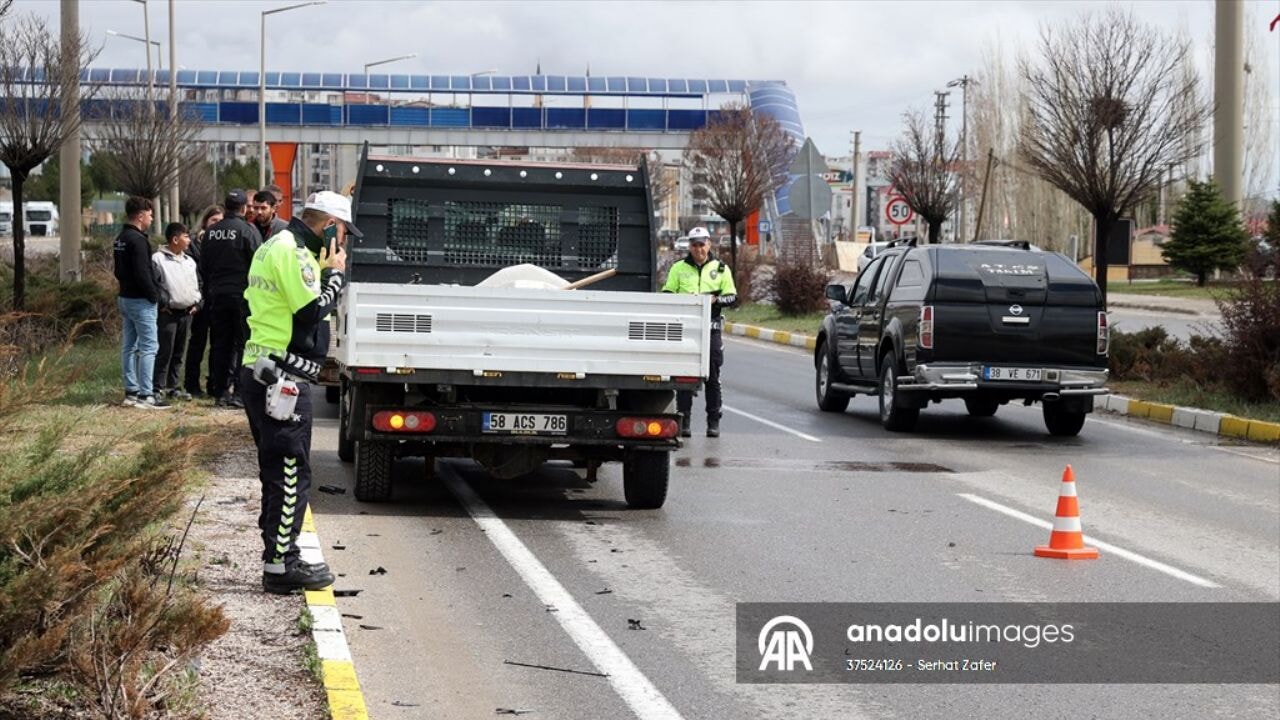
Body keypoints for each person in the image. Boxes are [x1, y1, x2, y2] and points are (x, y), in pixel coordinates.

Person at [241, 190, 359, 594]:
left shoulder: (277, 244)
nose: (343, 243)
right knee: (291, 471)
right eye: (342, 233)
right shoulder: (294, 252)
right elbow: (310, 311)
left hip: (266, 369)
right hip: (281, 376)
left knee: (277, 470)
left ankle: (278, 555)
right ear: (328, 227)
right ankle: (282, 565)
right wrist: (335, 276)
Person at [661, 226, 736, 437]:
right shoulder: (678, 268)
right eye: (694, 245)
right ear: (689, 247)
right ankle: (684, 421)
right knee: (685, 375)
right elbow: (667, 294)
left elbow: (732, 297)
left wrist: (715, 299)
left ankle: (713, 421)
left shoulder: (721, 269)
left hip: (710, 329)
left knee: (712, 375)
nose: (698, 249)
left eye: (701, 244)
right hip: (685, 330)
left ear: (709, 244)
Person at [202, 190, 263, 408]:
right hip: (242, 297)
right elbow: (259, 265)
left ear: (225, 206)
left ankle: (220, 393)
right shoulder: (248, 231)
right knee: (242, 344)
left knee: (220, 344)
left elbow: (204, 266)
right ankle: (238, 392)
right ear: (244, 208)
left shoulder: (211, 233)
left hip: (217, 296)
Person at [113, 196, 170, 409]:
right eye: (150, 214)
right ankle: (147, 395)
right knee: (149, 346)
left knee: (129, 346)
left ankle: (131, 392)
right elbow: (143, 272)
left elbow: (118, 271)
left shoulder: (120, 238)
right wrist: (154, 296)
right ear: (140, 215)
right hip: (140, 300)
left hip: (125, 298)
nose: (152, 218)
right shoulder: (138, 240)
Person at [152, 222, 202, 400]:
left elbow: (198, 283)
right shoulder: (158, 259)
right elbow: (155, 285)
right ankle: (158, 387)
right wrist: (163, 303)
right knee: (165, 350)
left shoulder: (189, 261)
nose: (189, 240)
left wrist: (198, 302)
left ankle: (173, 386)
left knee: (179, 351)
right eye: (186, 236)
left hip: (187, 313)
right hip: (168, 313)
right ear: (175, 239)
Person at [183, 205, 224, 397]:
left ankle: (214, 384)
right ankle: (191, 384)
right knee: (197, 343)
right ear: (206, 221)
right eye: (213, 220)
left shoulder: (224, 242)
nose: (216, 224)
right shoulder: (193, 243)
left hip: (217, 298)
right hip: (200, 299)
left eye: (220, 221)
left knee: (217, 344)